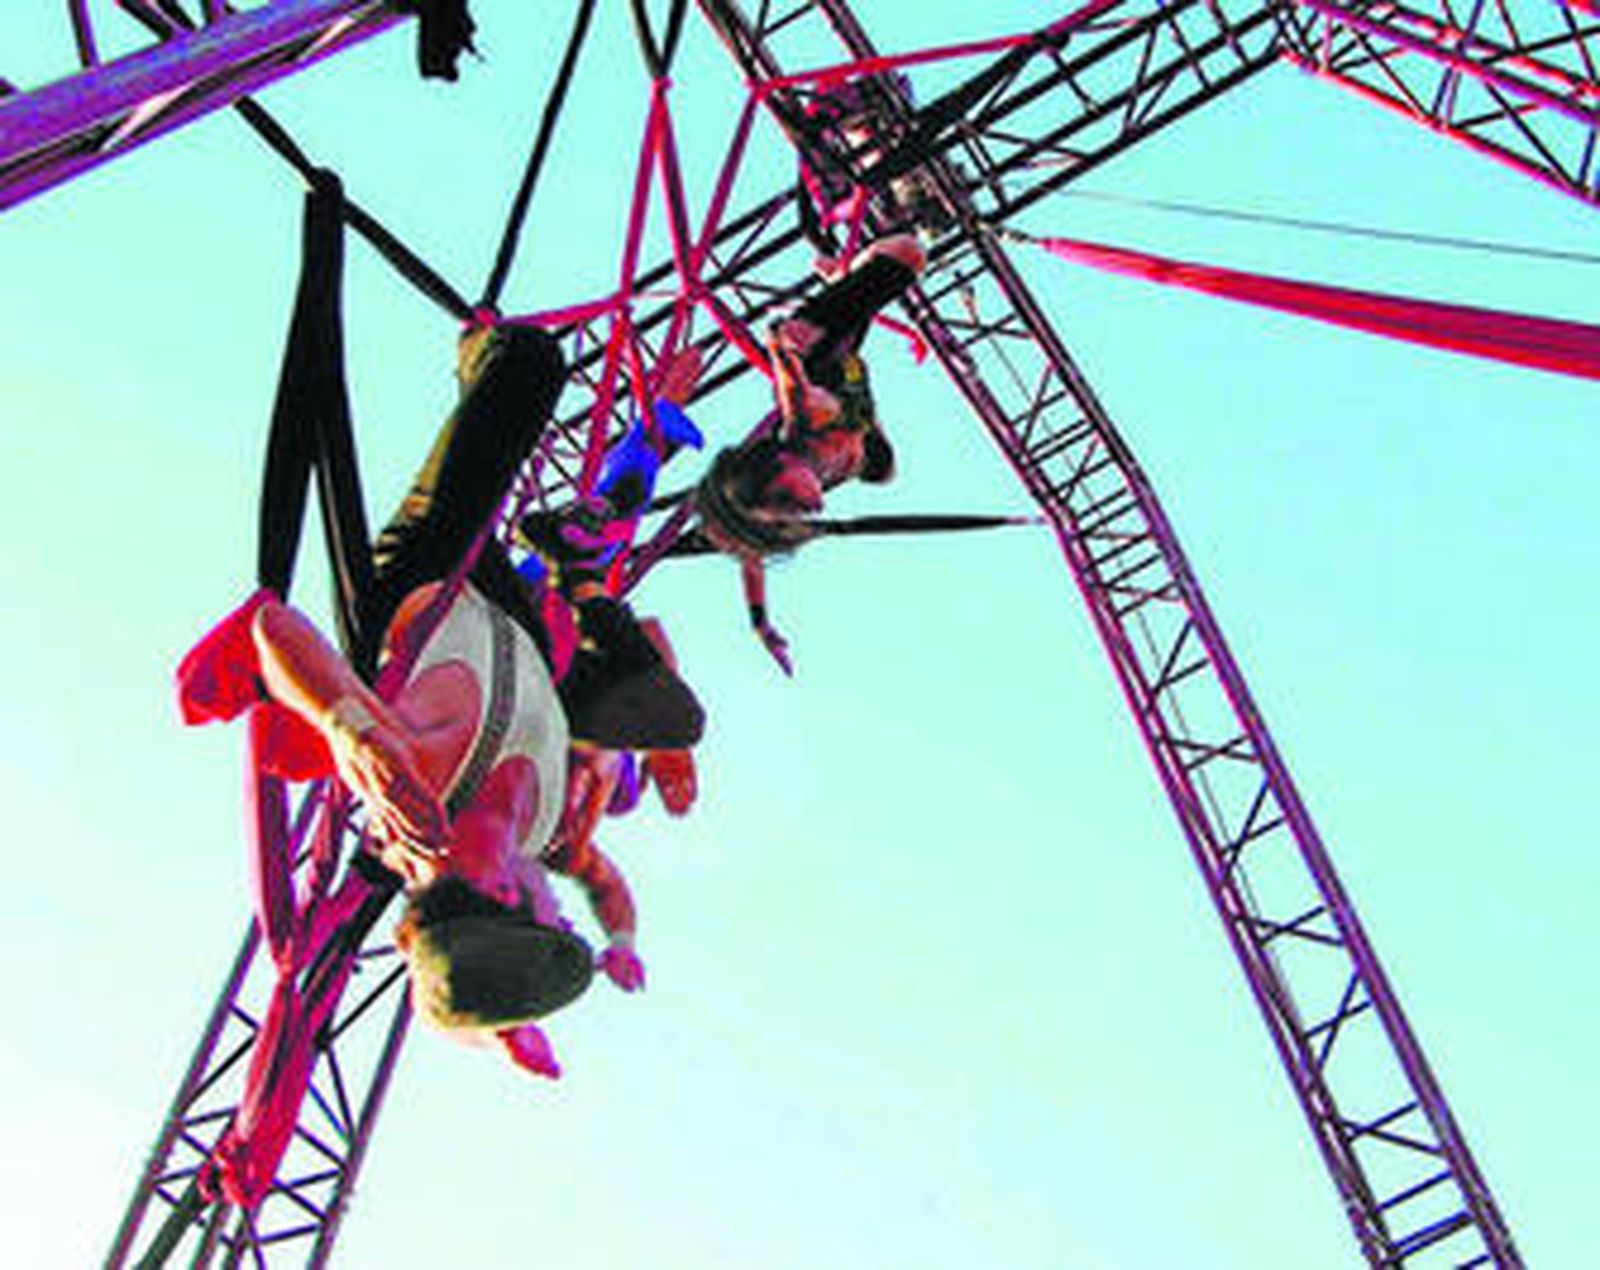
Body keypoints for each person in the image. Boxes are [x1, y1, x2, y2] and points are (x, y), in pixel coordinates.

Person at [180, 324, 634, 1076]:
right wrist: (505, 1025)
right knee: (604, 613)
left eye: (553, 920)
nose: (562, 909)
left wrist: (350, 729)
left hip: (433, 568)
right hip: (521, 629)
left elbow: (270, 629)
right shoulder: (544, 828)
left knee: (529, 367)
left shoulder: (415, 779)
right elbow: (478, 935)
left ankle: (480, 355)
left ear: (502, 893)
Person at [693, 234, 926, 672]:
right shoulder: (828, 476)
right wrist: (760, 622)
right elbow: (750, 551)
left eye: (788, 501)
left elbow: (791, 386)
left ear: (781, 463)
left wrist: (779, 347)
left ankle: (846, 276)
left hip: (819, 346)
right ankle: (844, 280)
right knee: (882, 470)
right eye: (792, 512)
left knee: (909, 254)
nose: (804, 509)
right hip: (851, 382)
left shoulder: (804, 421)